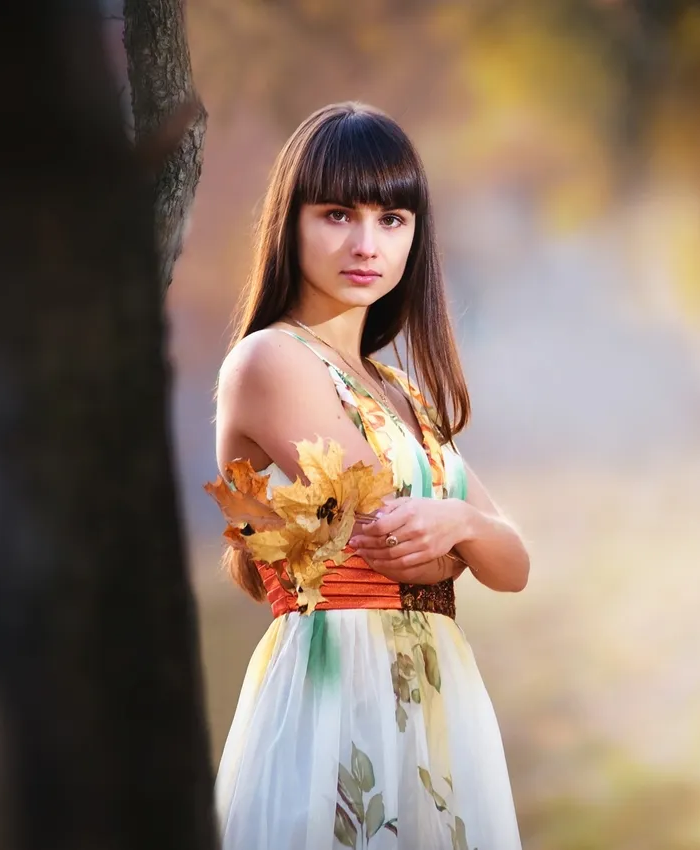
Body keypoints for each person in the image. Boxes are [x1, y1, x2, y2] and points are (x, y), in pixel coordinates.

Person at [211, 101, 529, 850]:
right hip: (336, 700)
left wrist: (464, 527)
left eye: (392, 219)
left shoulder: (399, 390)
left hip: (432, 697)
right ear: (290, 222)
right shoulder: (271, 359)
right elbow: (393, 530)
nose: (367, 243)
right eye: (337, 214)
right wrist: (463, 533)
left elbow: (513, 563)